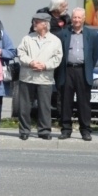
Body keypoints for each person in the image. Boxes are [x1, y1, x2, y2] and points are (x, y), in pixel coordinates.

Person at [54, 7, 98, 141]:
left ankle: (85, 130)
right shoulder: (63, 34)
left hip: (83, 70)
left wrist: (87, 67)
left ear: (84, 19)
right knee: (65, 102)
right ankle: (66, 129)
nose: (77, 20)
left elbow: (94, 55)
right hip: (67, 70)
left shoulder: (92, 35)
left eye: (79, 17)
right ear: (72, 18)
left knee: (84, 103)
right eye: (74, 17)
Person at [16, 12, 63, 140]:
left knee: (44, 106)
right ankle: (24, 130)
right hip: (27, 77)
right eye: (34, 21)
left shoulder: (55, 40)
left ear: (45, 24)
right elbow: (20, 53)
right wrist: (30, 62)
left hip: (45, 78)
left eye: (37, 22)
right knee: (25, 106)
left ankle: (44, 131)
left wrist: (45, 65)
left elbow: (58, 58)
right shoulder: (27, 38)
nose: (34, 24)